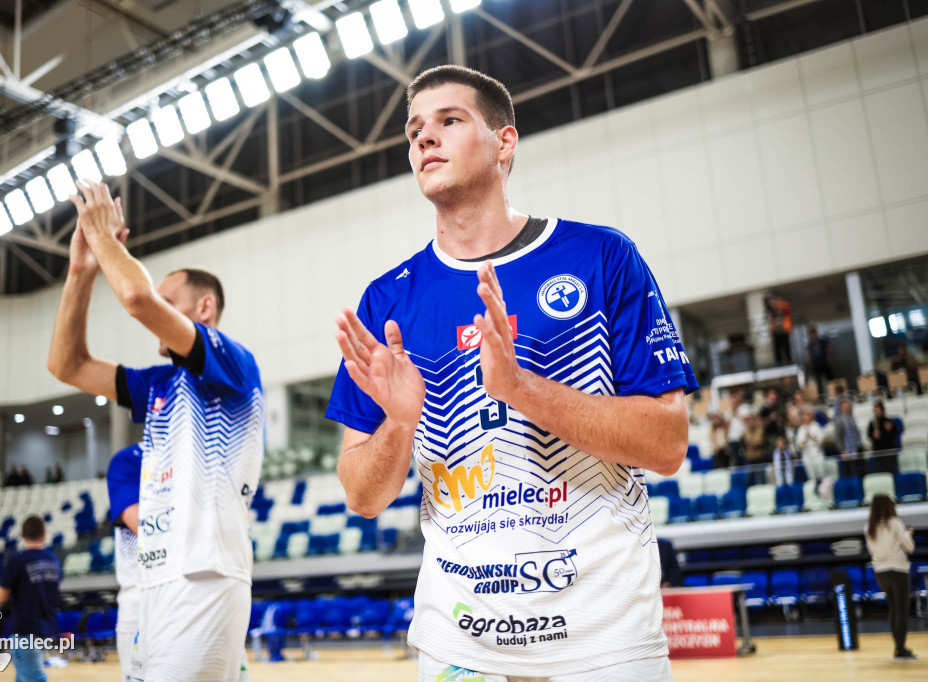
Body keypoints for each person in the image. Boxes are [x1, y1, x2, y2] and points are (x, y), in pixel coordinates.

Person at [327, 65, 696, 681]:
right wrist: (401, 421)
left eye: (449, 121)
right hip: (459, 645)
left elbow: (666, 442)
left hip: (604, 639)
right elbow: (363, 495)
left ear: (505, 142)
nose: (424, 139)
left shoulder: (602, 255)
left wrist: (521, 388)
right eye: (415, 130)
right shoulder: (386, 301)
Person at [46, 179, 263, 681]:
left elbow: (138, 297)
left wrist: (103, 239)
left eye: (173, 301)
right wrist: (80, 270)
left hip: (204, 576)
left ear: (204, 309)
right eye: (162, 300)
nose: (158, 309)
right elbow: (67, 364)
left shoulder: (233, 364)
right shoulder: (158, 384)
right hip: (157, 580)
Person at [0, 515, 62, 682]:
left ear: (22, 535)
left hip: (25, 630)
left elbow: (0, 598)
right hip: (46, 628)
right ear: (44, 534)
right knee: (23, 677)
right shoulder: (53, 560)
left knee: (34, 678)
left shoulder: (18, 561)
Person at [864, 495, 917, 663]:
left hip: (880, 571)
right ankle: (900, 650)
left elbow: (872, 551)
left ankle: (898, 647)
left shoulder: (869, 527)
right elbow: (909, 547)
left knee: (893, 609)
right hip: (897, 569)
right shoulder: (894, 522)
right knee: (901, 610)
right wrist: (908, 535)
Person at [107, 443, 142, 682]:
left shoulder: (204, 452)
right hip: (140, 594)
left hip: (200, 590)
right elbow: (141, 524)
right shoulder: (129, 459)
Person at [833, 397, 864, 479]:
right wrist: (842, 450)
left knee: (859, 470)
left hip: (855, 447)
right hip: (846, 449)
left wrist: (858, 443)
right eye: (844, 407)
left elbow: (856, 432)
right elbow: (837, 437)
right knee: (849, 471)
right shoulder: (838, 420)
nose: (846, 408)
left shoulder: (851, 418)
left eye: (847, 406)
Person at [867, 400, 899, 476]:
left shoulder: (888, 421)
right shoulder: (873, 423)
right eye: (875, 411)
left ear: (882, 410)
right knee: (882, 472)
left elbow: (895, 433)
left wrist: (890, 430)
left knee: (892, 471)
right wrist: (873, 435)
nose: (877, 412)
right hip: (879, 452)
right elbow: (869, 435)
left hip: (889, 451)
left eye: (878, 410)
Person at [794, 408, 826, 483]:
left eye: (807, 416)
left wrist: (811, 437)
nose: (806, 418)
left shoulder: (816, 426)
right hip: (807, 455)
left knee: (821, 474)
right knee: (811, 476)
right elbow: (798, 445)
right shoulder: (801, 429)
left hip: (817, 454)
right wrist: (805, 439)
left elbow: (820, 440)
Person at [743, 413, 768, 485]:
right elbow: (746, 443)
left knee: (761, 480)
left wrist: (751, 444)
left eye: (752, 421)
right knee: (748, 481)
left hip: (759, 458)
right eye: (749, 421)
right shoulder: (745, 432)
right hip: (750, 459)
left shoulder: (760, 430)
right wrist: (754, 443)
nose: (751, 423)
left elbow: (760, 441)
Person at [806, 327, 831, 397]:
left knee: (829, 379)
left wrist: (828, 359)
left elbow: (828, 349)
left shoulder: (822, 340)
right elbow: (810, 354)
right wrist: (810, 362)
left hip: (824, 362)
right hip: (816, 364)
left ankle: (832, 392)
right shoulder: (810, 343)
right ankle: (821, 396)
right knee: (818, 382)